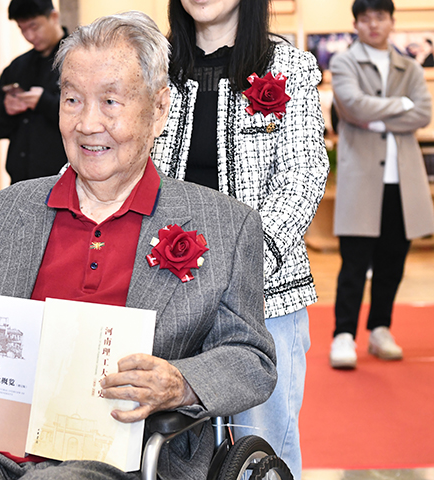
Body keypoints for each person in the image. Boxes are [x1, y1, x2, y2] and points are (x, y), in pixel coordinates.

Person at [0, 12, 276, 480]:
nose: (87, 124)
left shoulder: (224, 224)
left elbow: (251, 358)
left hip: (124, 453)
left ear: (159, 109)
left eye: (110, 101)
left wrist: (182, 383)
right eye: (72, 100)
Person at [150, 0, 330, 477]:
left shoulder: (288, 65)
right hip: (165, 292)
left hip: (267, 296)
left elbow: (303, 177)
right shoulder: (153, 65)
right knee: (162, 451)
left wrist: (242, 269)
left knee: (264, 453)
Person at [329, 0, 434, 369]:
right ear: (356, 24)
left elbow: (423, 113)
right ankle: (343, 334)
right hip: (362, 178)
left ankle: (380, 329)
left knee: (393, 261)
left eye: (380, 17)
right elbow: (352, 106)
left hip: (403, 181)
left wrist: (375, 119)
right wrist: (400, 106)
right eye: (365, 18)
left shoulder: (410, 66)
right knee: (354, 263)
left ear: (391, 21)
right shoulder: (344, 62)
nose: (373, 24)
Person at [0, 0, 69, 184]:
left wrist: (44, 102)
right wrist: (7, 110)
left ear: (53, 17)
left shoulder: (78, 60)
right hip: (20, 181)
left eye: (34, 27)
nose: (29, 36)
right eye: (22, 29)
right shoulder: (17, 67)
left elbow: (87, 115)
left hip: (65, 180)